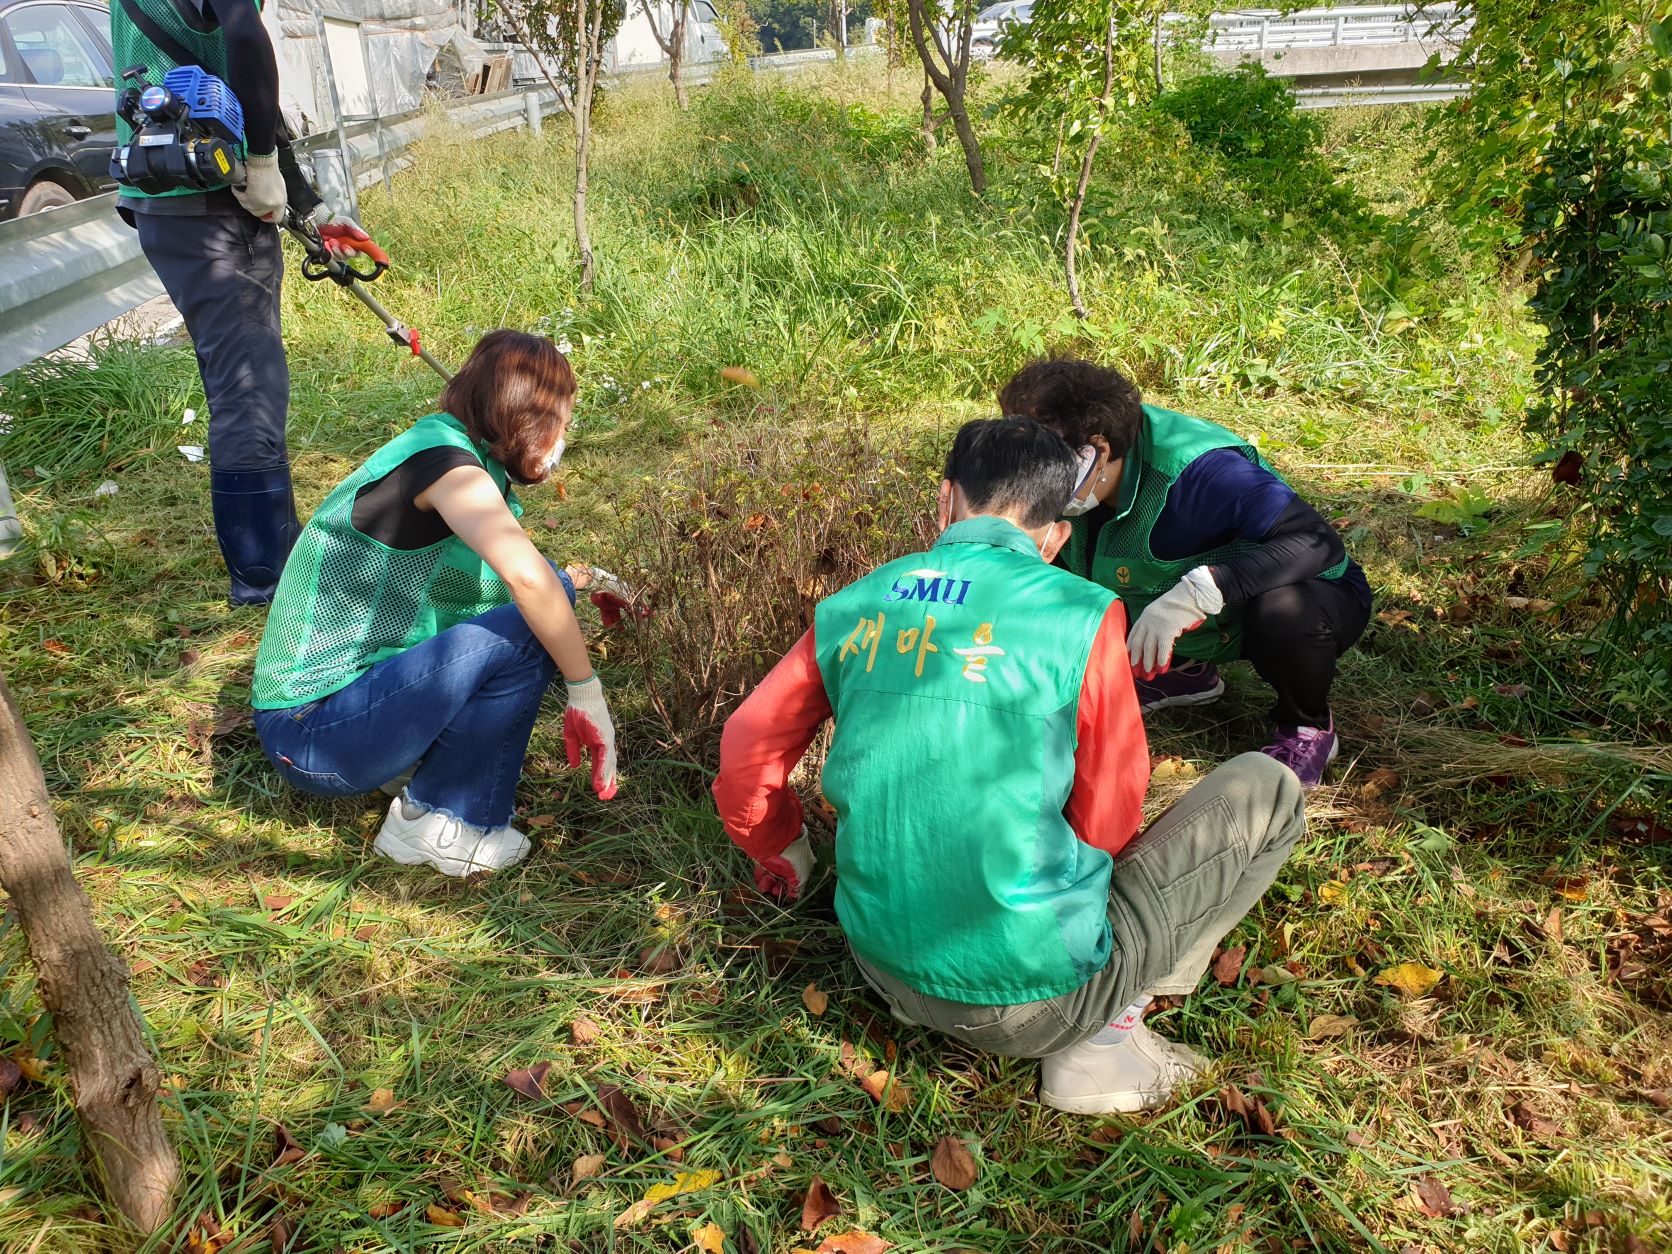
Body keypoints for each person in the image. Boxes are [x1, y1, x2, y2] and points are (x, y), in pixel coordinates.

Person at [713, 417, 1306, 1115]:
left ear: (944, 502)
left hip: (880, 966)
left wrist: (787, 853)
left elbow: (748, 749)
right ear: (1055, 539)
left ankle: (964, 992)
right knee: (1271, 787)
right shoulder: (1080, 613)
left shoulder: (854, 604)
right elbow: (1111, 800)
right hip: (1039, 1000)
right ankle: (1106, 1036)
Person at [250, 331, 619, 877]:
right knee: (531, 626)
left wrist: (576, 581)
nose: (563, 439)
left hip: (334, 715)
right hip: (313, 734)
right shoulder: (450, 469)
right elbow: (527, 584)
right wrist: (586, 690)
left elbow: (486, 590)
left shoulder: (441, 453)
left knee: (542, 606)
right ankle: (443, 822)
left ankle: (419, 774)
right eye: (562, 423)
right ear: (529, 417)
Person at [110, 0, 384, 604]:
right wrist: (259, 161)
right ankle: (264, 576)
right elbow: (242, 31)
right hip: (210, 202)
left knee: (238, 380)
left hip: (165, 197)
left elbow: (221, 78)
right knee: (247, 388)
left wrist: (308, 206)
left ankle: (274, 545)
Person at [999, 358, 1373, 789]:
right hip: (1188, 609)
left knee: (1285, 610)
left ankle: (1308, 728)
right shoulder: (1085, 481)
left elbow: (1316, 543)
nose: (1030, 473)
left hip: (1304, 597)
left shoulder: (1202, 470)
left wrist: (1204, 590)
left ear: (1097, 450)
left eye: (1043, 461)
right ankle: (1187, 668)